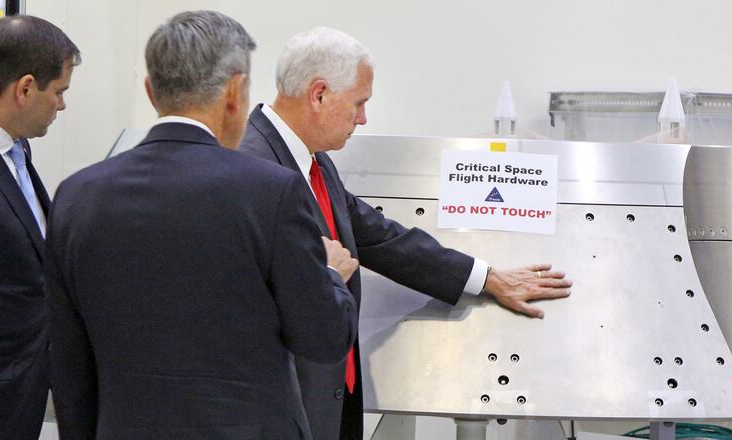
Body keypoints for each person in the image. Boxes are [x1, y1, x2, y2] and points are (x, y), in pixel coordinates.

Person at [239, 27, 573, 440]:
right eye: (359, 103)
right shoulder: (249, 166)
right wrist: (321, 274)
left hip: (330, 398)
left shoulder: (314, 161)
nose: (363, 118)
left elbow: (380, 237)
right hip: (283, 411)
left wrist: (485, 277)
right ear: (319, 94)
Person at [45, 11, 358, 440]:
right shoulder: (271, 192)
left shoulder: (77, 196)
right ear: (235, 93)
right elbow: (322, 338)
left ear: (151, 91)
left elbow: (69, 362)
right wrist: (330, 277)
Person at [0, 15, 79, 440]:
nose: (62, 105)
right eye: (60, 92)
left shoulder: (15, 151)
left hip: (23, 400)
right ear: (26, 88)